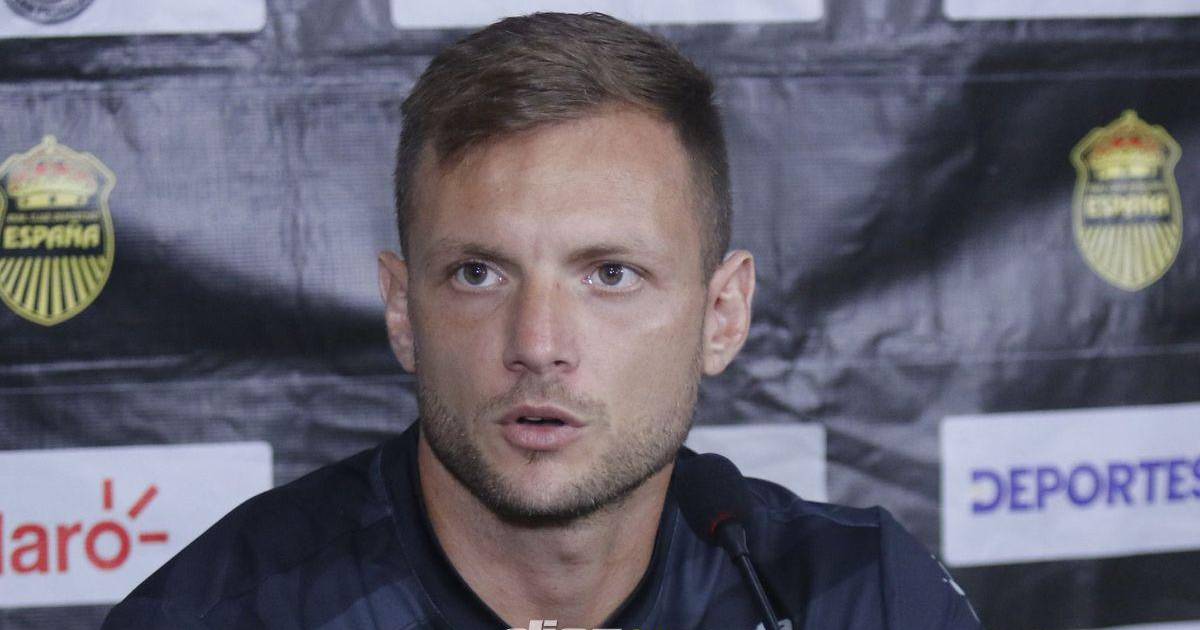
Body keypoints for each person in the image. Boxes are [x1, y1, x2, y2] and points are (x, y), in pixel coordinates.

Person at [104, 12, 981, 630]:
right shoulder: (220, 614)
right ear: (404, 311)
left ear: (722, 315)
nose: (538, 346)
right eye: (478, 274)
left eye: (610, 275)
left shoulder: (861, 598)